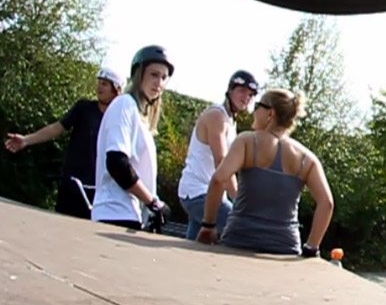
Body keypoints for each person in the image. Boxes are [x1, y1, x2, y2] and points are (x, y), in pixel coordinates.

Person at [196, 88, 334, 257]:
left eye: (257, 106)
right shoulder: (308, 159)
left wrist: (208, 226)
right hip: (285, 248)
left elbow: (219, 179)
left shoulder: (246, 141)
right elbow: (327, 203)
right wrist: (311, 247)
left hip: (238, 240)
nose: (253, 111)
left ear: (270, 113)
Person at [5, 66, 125, 219]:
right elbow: (57, 128)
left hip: (100, 192)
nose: (99, 87)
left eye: (105, 84)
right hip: (73, 184)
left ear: (116, 90)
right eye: (99, 82)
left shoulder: (119, 118)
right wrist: (26, 140)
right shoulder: (84, 108)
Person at [91, 46, 174, 230]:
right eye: (154, 74)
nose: (159, 83)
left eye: (164, 77)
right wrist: (153, 202)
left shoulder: (140, 116)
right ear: (138, 74)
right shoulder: (124, 104)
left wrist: (153, 205)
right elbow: (117, 163)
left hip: (130, 214)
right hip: (114, 212)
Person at [177, 69, 259, 240]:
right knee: (243, 231)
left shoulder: (230, 121)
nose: (246, 97)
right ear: (230, 90)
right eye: (242, 91)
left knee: (195, 245)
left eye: (250, 95)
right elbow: (222, 163)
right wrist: (238, 200)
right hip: (198, 192)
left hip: (208, 193)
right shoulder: (217, 116)